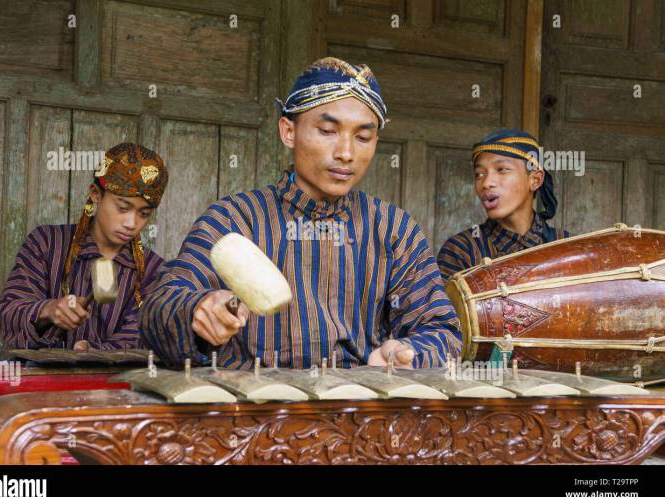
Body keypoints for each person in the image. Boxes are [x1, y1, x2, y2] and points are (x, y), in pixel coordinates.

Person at [140, 57, 461, 370]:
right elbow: (159, 309)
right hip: (251, 413)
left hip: (357, 412)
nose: (346, 153)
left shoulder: (393, 230)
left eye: (363, 137)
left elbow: (443, 332)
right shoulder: (233, 220)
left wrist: (409, 352)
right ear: (288, 132)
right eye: (327, 131)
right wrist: (197, 309)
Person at [0, 143, 168, 351]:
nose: (131, 223)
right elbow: (10, 315)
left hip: (112, 381)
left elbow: (142, 336)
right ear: (96, 194)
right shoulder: (46, 243)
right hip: (39, 379)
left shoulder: (154, 272)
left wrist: (95, 353)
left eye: (143, 214)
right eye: (123, 208)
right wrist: (49, 310)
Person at [437, 129, 569, 281]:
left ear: (535, 180)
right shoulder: (461, 251)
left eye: (502, 170)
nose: (486, 183)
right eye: (479, 174)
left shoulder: (568, 246)